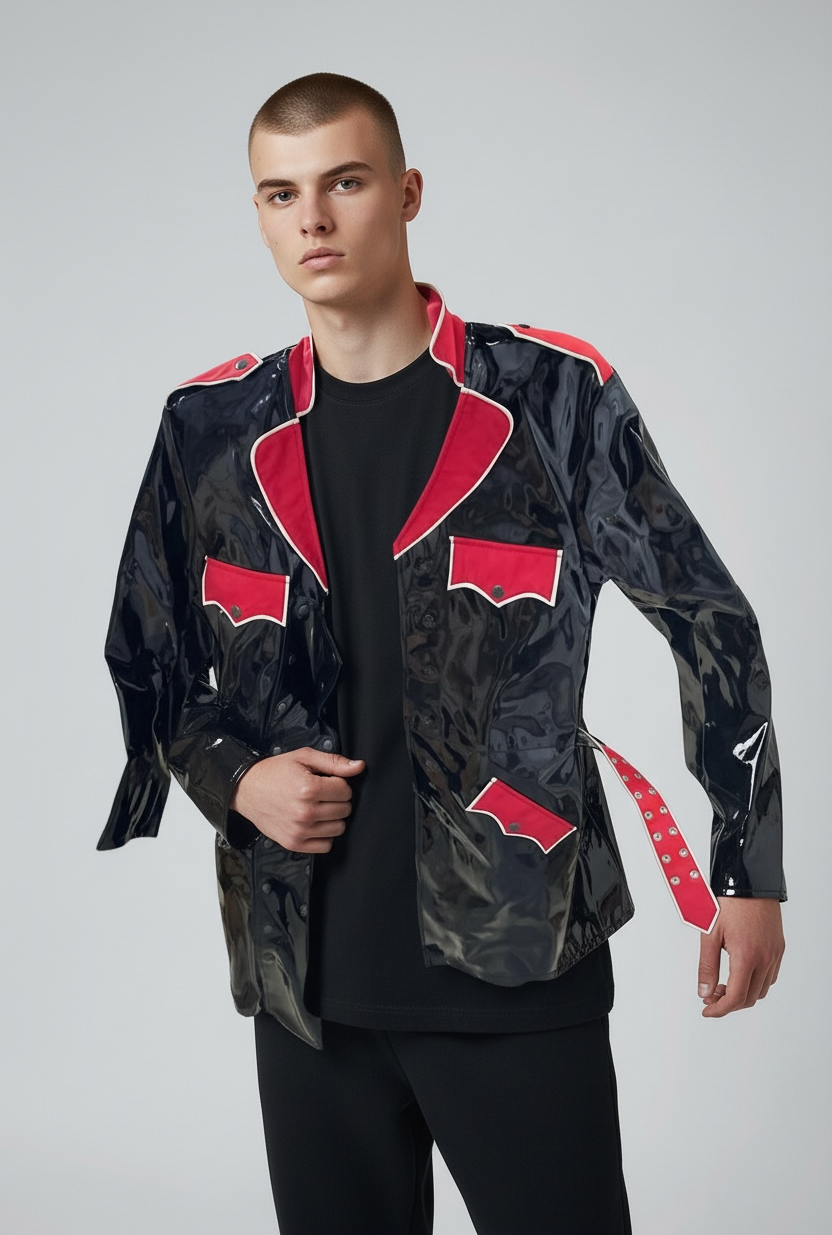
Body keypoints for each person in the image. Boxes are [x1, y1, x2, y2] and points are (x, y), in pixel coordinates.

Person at [99, 73, 786, 1234]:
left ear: (407, 192)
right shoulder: (209, 428)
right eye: (281, 194)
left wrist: (747, 868)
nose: (314, 219)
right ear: (258, 212)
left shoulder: (552, 398)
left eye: (345, 183)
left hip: (517, 958)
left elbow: (707, 621)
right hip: (306, 981)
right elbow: (149, 656)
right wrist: (235, 778)